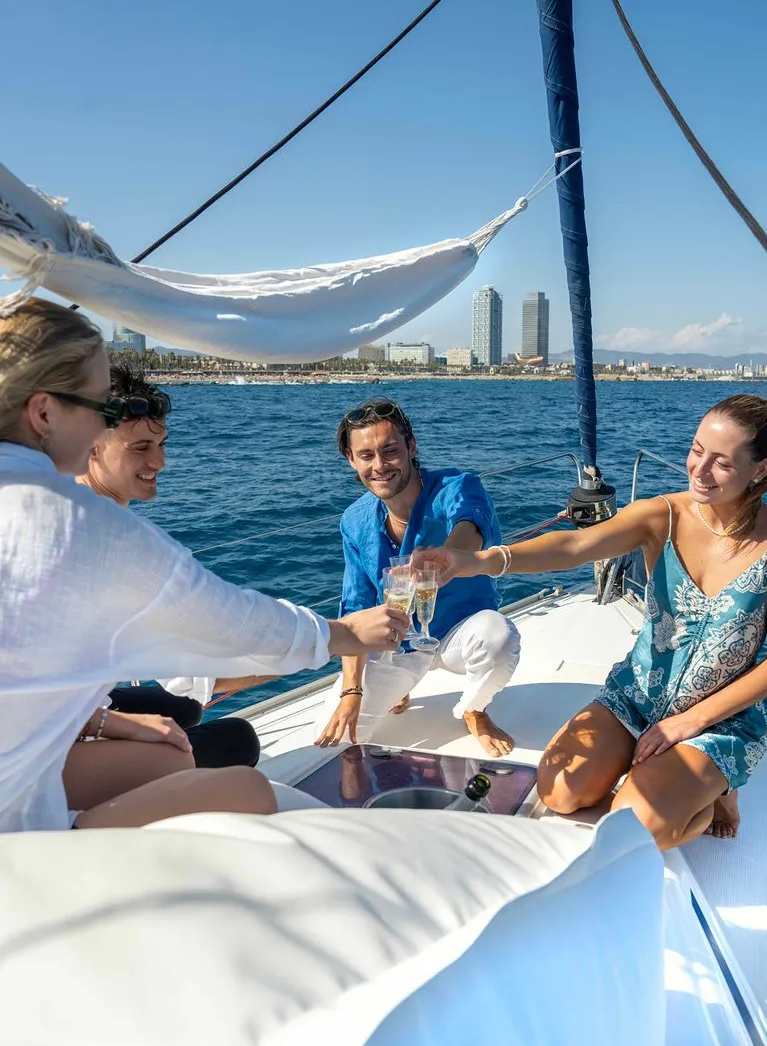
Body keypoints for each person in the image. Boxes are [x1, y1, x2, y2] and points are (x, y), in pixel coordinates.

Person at [0, 298, 408, 832]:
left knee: (178, 740)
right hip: (18, 828)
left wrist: (104, 720)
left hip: (34, 762)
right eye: (100, 408)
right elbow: (232, 619)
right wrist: (344, 634)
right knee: (246, 783)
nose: (106, 424)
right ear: (44, 413)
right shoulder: (81, 525)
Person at [413, 395, 767, 850]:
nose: (699, 469)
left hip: (717, 719)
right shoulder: (663, 516)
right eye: (697, 450)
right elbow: (574, 547)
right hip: (637, 696)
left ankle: (720, 791)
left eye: (722, 462)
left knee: (632, 828)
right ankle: (662, 774)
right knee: (559, 791)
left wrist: (686, 723)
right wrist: (476, 561)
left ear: (761, 469)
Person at [72, 359, 266, 772]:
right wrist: (323, 645)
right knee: (237, 739)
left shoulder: (66, 504)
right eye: (141, 448)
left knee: (185, 705)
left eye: (161, 444)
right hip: (47, 742)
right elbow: (196, 665)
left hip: (68, 707)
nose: (160, 462)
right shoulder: (106, 542)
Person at [314, 398, 520, 758]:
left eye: (390, 451)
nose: (380, 466)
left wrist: (450, 557)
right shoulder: (354, 521)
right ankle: (400, 686)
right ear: (351, 460)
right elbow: (356, 608)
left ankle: (474, 709)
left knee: (498, 637)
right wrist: (352, 691)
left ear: (411, 447)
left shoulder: (458, 487)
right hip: (396, 645)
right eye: (366, 456)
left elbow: (470, 527)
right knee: (331, 743)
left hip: (458, 635)